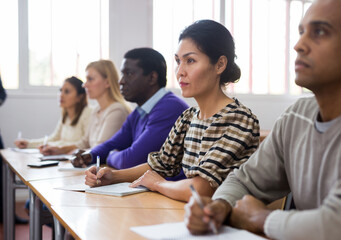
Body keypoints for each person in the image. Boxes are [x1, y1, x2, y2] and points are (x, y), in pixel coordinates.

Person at [184, 0, 341, 239]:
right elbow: (243, 180)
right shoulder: (295, 117)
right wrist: (220, 207)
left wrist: (260, 218)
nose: (299, 45)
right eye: (301, 32)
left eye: (320, 32)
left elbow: (334, 224)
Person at [84, 20, 260, 202]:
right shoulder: (188, 118)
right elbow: (161, 164)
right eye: (178, 61)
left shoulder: (239, 120)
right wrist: (112, 176)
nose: (180, 72)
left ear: (220, 65)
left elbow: (200, 189)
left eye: (190, 61)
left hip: (223, 223)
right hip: (191, 214)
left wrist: (158, 184)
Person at [72, 48, 189, 172]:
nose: (121, 81)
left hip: (171, 189)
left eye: (129, 74)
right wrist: (90, 155)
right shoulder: (139, 111)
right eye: (122, 74)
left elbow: (131, 161)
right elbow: (113, 143)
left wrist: (110, 155)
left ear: (152, 78)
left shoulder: (169, 108)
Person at [40, 60, 130, 155]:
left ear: (107, 82)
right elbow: (85, 142)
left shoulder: (116, 111)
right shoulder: (96, 110)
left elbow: (100, 149)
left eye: (90, 79)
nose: (84, 85)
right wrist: (60, 149)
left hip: (104, 167)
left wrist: (73, 153)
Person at [14, 76, 91, 152]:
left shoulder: (88, 113)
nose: (61, 95)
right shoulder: (65, 115)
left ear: (80, 97)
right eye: (60, 90)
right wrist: (28, 144)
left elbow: (85, 144)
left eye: (67, 91)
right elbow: (54, 138)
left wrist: (59, 149)